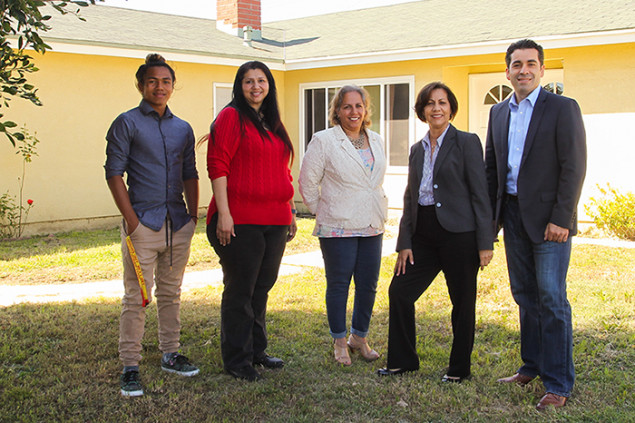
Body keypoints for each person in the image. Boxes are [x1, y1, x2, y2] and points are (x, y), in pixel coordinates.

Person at [485, 39, 586, 410]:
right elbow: (491, 169)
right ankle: (531, 365)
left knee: (552, 299)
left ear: (542, 70)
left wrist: (562, 217)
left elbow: (573, 165)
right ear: (507, 71)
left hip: (548, 222)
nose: (523, 70)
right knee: (524, 295)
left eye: (530, 63)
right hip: (511, 216)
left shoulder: (561, 108)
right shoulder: (498, 113)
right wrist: (491, 223)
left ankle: (558, 382)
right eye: (516, 64)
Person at [377, 82, 493, 382]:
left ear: (451, 108)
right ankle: (403, 361)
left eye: (442, 102)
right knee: (400, 292)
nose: (436, 108)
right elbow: (409, 196)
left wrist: (484, 241)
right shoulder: (416, 150)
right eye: (430, 103)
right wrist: (404, 241)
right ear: (422, 110)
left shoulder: (467, 142)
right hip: (423, 235)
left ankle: (458, 370)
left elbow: (480, 194)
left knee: (463, 303)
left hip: (460, 235)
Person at [105, 54, 200, 397]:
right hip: (142, 223)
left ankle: (170, 354)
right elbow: (114, 174)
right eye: (152, 81)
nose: (160, 87)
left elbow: (191, 172)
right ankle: (130, 366)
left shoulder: (183, 128)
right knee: (136, 297)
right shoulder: (126, 123)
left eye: (166, 81)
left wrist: (193, 216)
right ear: (141, 85)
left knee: (171, 293)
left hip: (178, 223)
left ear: (173, 86)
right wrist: (132, 222)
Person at [205, 61, 296, 382]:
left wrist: (290, 210)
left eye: (261, 81)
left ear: (269, 85)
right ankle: (236, 359)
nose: (255, 86)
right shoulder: (231, 117)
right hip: (239, 220)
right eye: (248, 81)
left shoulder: (271, 122)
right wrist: (225, 214)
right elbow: (217, 164)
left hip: (275, 219)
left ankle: (257, 351)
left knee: (262, 288)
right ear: (239, 86)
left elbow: (281, 169)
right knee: (240, 291)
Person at [299, 85, 387, 366]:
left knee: (368, 284)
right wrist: (326, 211)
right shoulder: (324, 140)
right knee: (339, 284)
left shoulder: (376, 139)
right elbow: (307, 183)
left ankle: (358, 337)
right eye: (347, 107)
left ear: (366, 109)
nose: (354, 112)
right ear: (337, 111)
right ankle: (339, 340)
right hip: (338, 226)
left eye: (359, 106)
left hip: (372, 223)